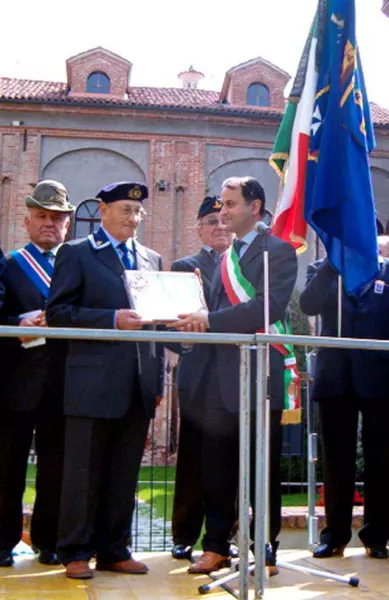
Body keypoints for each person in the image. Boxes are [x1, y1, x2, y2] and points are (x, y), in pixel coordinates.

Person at [170, 176, 297, 575]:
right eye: (221, 206)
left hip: (259, 374)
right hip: (216, 378)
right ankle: (216, 545)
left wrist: (208, 321)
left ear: (254, 207)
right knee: (216, 466)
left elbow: (267, 308)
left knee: (263, 467)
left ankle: (265, 548)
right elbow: (207, 308)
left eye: (230, 204)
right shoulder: (223, 257)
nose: (222, 213)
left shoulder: (277, 252)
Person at [46, 181, 164, 580]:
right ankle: (75, 550)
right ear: (102, 211)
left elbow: (154, 325)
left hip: (137, 383)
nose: (134, 218)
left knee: (123, 472)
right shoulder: (77, 253)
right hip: (91, 383)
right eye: (126, 211)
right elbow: (59, 312)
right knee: (82, 471)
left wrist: (158, 380)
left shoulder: (151, 258)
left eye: (138, 213)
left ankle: (114, 548)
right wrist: (110, 319)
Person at [0, 180, 74, 567]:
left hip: (64, 381)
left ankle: (51, 542)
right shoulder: (9, 264)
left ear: (68, 224)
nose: (49, 224)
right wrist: (19, 324)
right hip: (16, 380)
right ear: (27, 220)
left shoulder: (77, 264)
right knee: (6, 466)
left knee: (58, 467)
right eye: (41, 216)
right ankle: (1, 543)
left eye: (57, 218)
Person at [300, 256, 389, 559]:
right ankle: (334, 535)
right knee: (337, 460)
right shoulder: (323, 268)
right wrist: (331, 265)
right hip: (336, 376)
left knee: (381, 460)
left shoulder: (387, 271)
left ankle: (376, 535)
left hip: (379, 377)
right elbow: (308, 305)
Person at [170, 196, 232, 560]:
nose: (219, 226)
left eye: (224, 219)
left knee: (225, 459)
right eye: (211, 220)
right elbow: (173, 322)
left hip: (231, 374)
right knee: (192, 458)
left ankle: (223, 537)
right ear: (199, 228)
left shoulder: (243, 266)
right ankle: (185, 534)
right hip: (197, 373)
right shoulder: (185, 266)